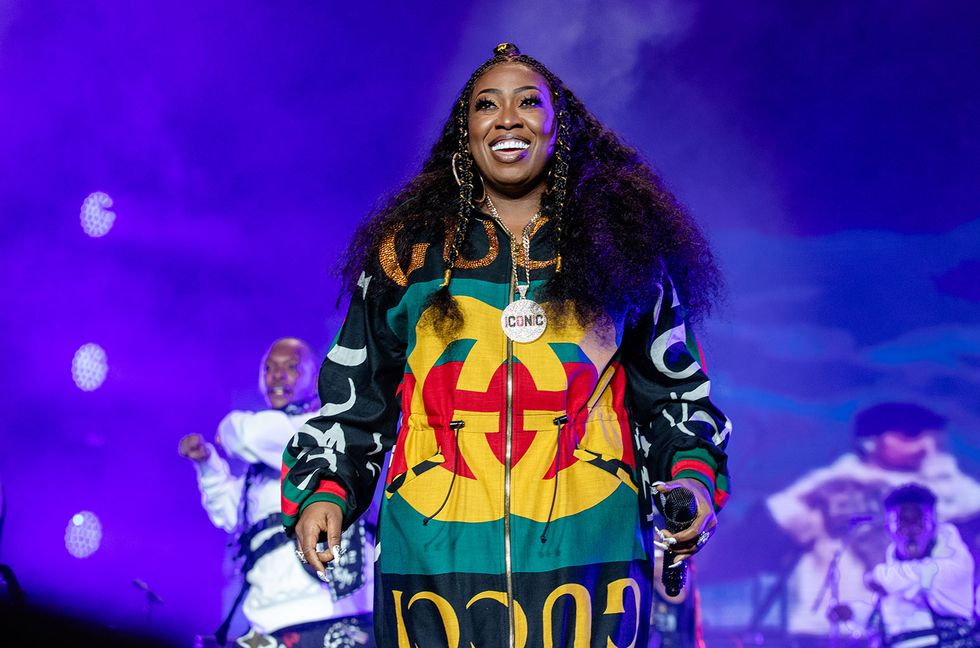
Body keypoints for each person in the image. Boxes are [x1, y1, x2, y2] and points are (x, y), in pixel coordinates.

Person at [281, 43, 732, 646]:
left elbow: (674, 396)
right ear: (465, 134)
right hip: (433, 558)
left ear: (559, 125)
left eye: (529, 102)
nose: (508, 118)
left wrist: (691, 480)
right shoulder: (409, 254)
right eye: (486, 105)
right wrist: (328, 491)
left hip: (589, 551)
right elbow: (356, 400)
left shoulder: (622, 254)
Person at [180, 337, 374, 647]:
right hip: (270, 621)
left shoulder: (327, 429)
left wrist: (229, 428)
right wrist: (208, 465)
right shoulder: (259, 468)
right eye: (268, 368)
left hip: (331, 613)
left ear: (316, 376)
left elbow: (247, 434)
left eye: (292, 368)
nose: (277, 376)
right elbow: (232, 517)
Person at [763, 403, 980, 638]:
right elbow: (893, 612)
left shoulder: (954, 527)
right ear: (870, 442)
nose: (924, 445)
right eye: (909, 436)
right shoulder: (825, 488)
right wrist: (854, 613)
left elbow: (926, 576)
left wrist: (879, 578)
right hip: (826, 633)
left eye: (928, 436)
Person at [866, 484, 977, 647]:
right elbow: (895, 616)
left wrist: (875, 576)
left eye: (918, 522)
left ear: (933, 526)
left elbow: (920, 575)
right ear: (888, 529)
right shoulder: (894, 565)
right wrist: (853, 614)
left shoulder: (956, 564)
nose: (911, 530)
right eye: (902, 522)